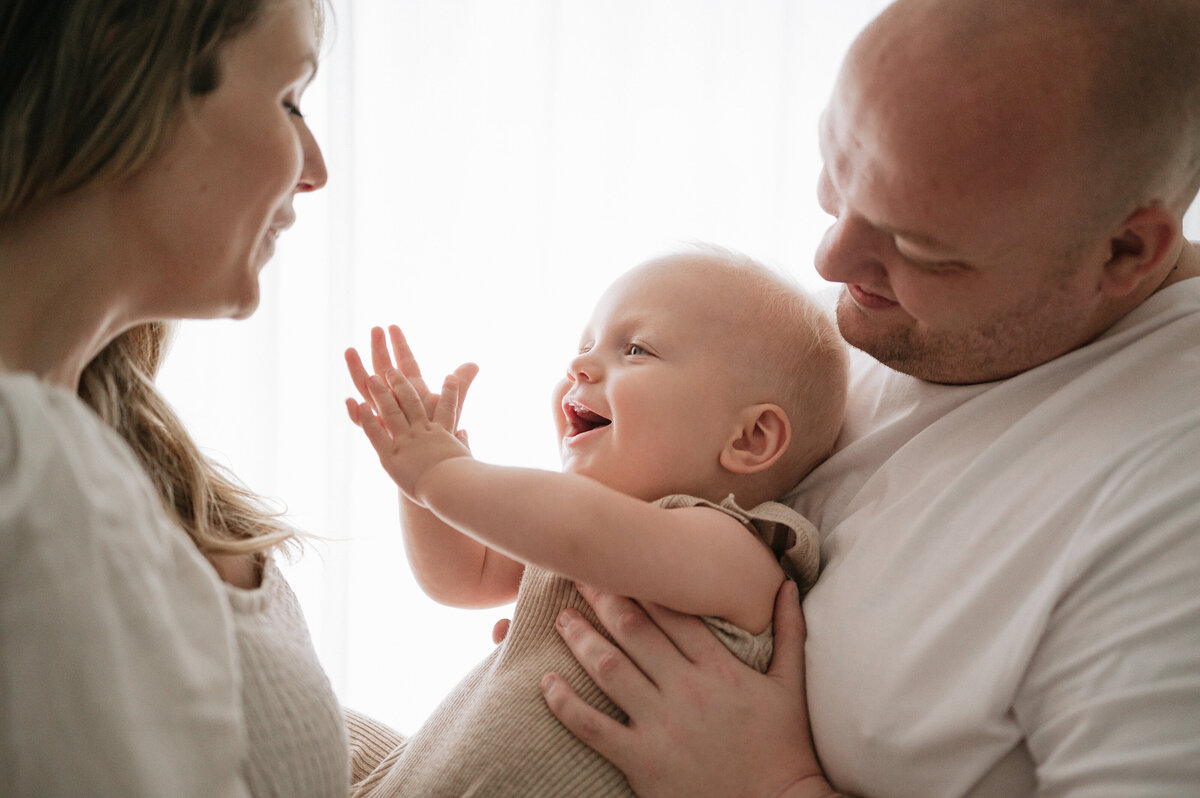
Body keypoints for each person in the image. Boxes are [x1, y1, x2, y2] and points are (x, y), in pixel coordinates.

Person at [538, 1, 1200, 796]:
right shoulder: (913, 301)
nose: (829, 259)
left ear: (1126, 251)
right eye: (835, 166)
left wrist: (769, 787)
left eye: (920, 246)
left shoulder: (1170, 508)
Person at [341, 249, 849, 796]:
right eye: (584, 347)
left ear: (749, 439)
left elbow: (581, 529)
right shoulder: (572, 528)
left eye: (635, 349)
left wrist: (440, 473)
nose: (578, 367)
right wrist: (418, 488)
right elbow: (461, 578)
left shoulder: (733, 547)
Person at [0, 0, 349, 795]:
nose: (315, 167)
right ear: (128, 60)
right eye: (290, 98)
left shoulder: (126, 450)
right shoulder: (29, 469)